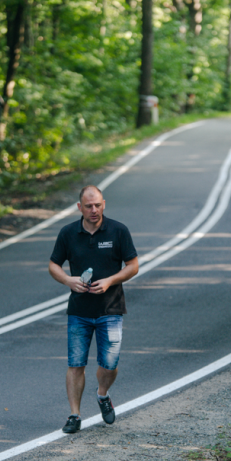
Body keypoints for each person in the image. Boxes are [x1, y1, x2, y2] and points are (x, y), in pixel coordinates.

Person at [49, 185, 139, 434]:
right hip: (79, 311)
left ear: (104, 204)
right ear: (79, 207)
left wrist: (111, 280)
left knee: (109, 364)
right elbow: (53, 264)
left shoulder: (118, 231)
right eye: (88, 206)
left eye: (97, 205)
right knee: (76, 364)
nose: (93, 210)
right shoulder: (68, 233)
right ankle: (74, 415)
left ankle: (102, 394)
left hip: (110, 310)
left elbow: (133, 265)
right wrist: (68, 280)